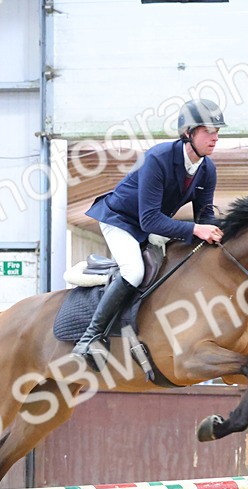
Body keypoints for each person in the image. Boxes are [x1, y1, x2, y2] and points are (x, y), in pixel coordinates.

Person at [73, 99, 227, 365]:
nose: (215, 138)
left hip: (151, 223)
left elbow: (205, 214)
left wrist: (215, 231)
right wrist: (196, 229)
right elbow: (150, 221)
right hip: (120, 219)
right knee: (134, 271)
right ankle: (89, 338)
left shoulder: (207, 169)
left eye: (217, 132)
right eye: (208, 132)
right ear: (188, 133)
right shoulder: (158, 158)